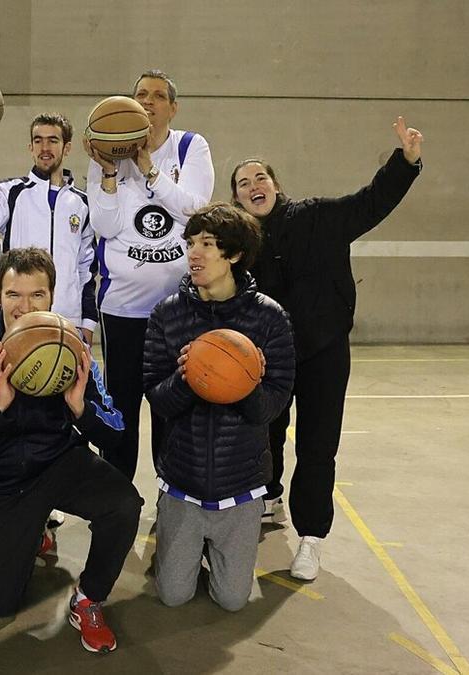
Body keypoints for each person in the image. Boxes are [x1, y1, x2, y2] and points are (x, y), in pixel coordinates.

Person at [230, 116, 424, 580]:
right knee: (265, 433)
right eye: (243, 183)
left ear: (276, 185)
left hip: (324, 353)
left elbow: (370, 203)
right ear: (236, 198)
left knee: (318, 447)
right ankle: (268, 498)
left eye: (261, 177)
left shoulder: (317, 216)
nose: (254, 185)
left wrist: (407, 161)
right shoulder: (239, 243)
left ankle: (311, 537)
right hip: (268, 357)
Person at [0, 247, 142, 654]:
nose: (23, 305)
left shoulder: (72, 344)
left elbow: (116, 430)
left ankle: (87, 599)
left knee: (123, 505)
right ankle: (31, 534)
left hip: (57, 462)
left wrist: (81, 409)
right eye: (14, 294)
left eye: (37, 295)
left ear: (51, 297)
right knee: (0, 605)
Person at [142, 203, 295, 611]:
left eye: (207, 244)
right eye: (191, 243)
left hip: (240, 484)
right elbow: (157, 397)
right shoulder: (167, 314)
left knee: (232, 600)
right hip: (183, 479)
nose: (194, 253)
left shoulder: (269, 318)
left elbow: (272, 407)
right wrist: (191, 376)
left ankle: (213, 551)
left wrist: (239, 382)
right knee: (173, 595)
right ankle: (181, 544)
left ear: (234, 255)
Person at [84, 70, 215, 480]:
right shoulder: (107, 153)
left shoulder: (190, 147)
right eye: (141, 93)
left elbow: (194, 209)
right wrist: (108, 173)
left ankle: (170, 493)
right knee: (120, 407)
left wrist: (150, 171)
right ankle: (117, 497)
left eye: (158, 95)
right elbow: (105, 227)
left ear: (172, 108)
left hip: (178, 307)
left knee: (170, 407)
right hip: (121, 305)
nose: (148, 100)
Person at [0, 114, 98, 344]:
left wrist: (88, 323)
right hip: (19, 315)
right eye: (38, 140)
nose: (45, 147)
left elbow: (87, 269)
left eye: (53, 140)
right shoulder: (13, 192)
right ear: (30, 147)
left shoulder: (82, 203)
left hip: (67, 319)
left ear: (67, 147)